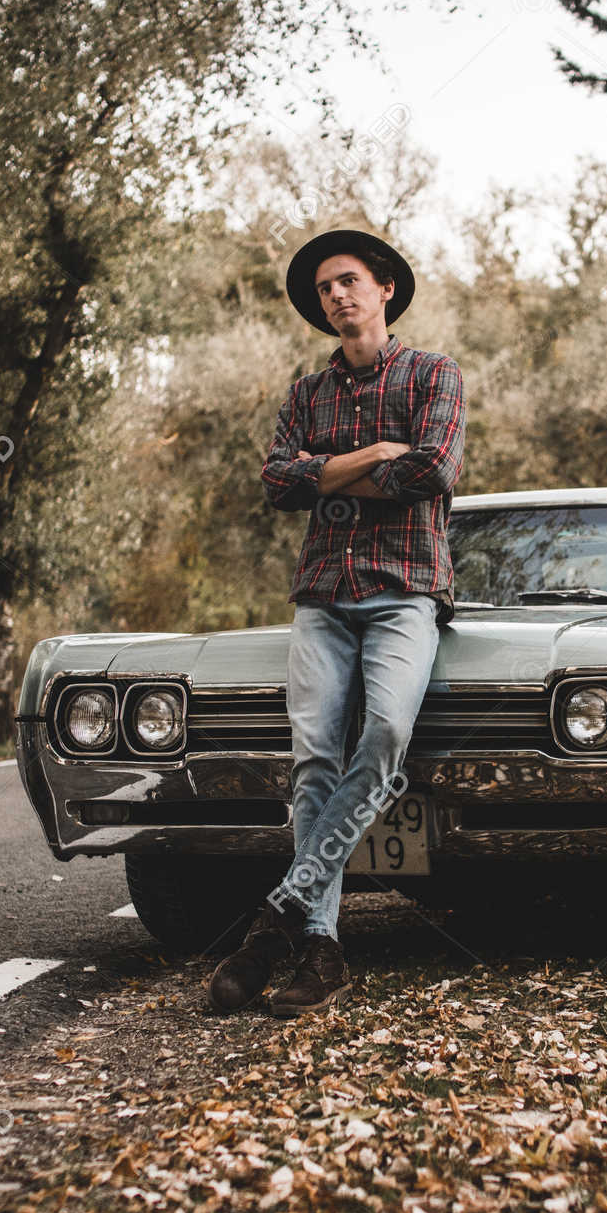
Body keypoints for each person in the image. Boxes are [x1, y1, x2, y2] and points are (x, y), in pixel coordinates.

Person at [207, 227, 465, 1019]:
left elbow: (435, 469)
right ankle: (320, 947)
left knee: (383, 737)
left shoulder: (433, 375)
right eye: (325, 290)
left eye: (348, 281)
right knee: (314, 763)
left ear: (384, 288)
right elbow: (278, 483)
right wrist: (371, 454)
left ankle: (278, 912)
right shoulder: (305, 393)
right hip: (322, 594)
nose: (337, 298)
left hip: (404, 590)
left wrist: (328, 472)